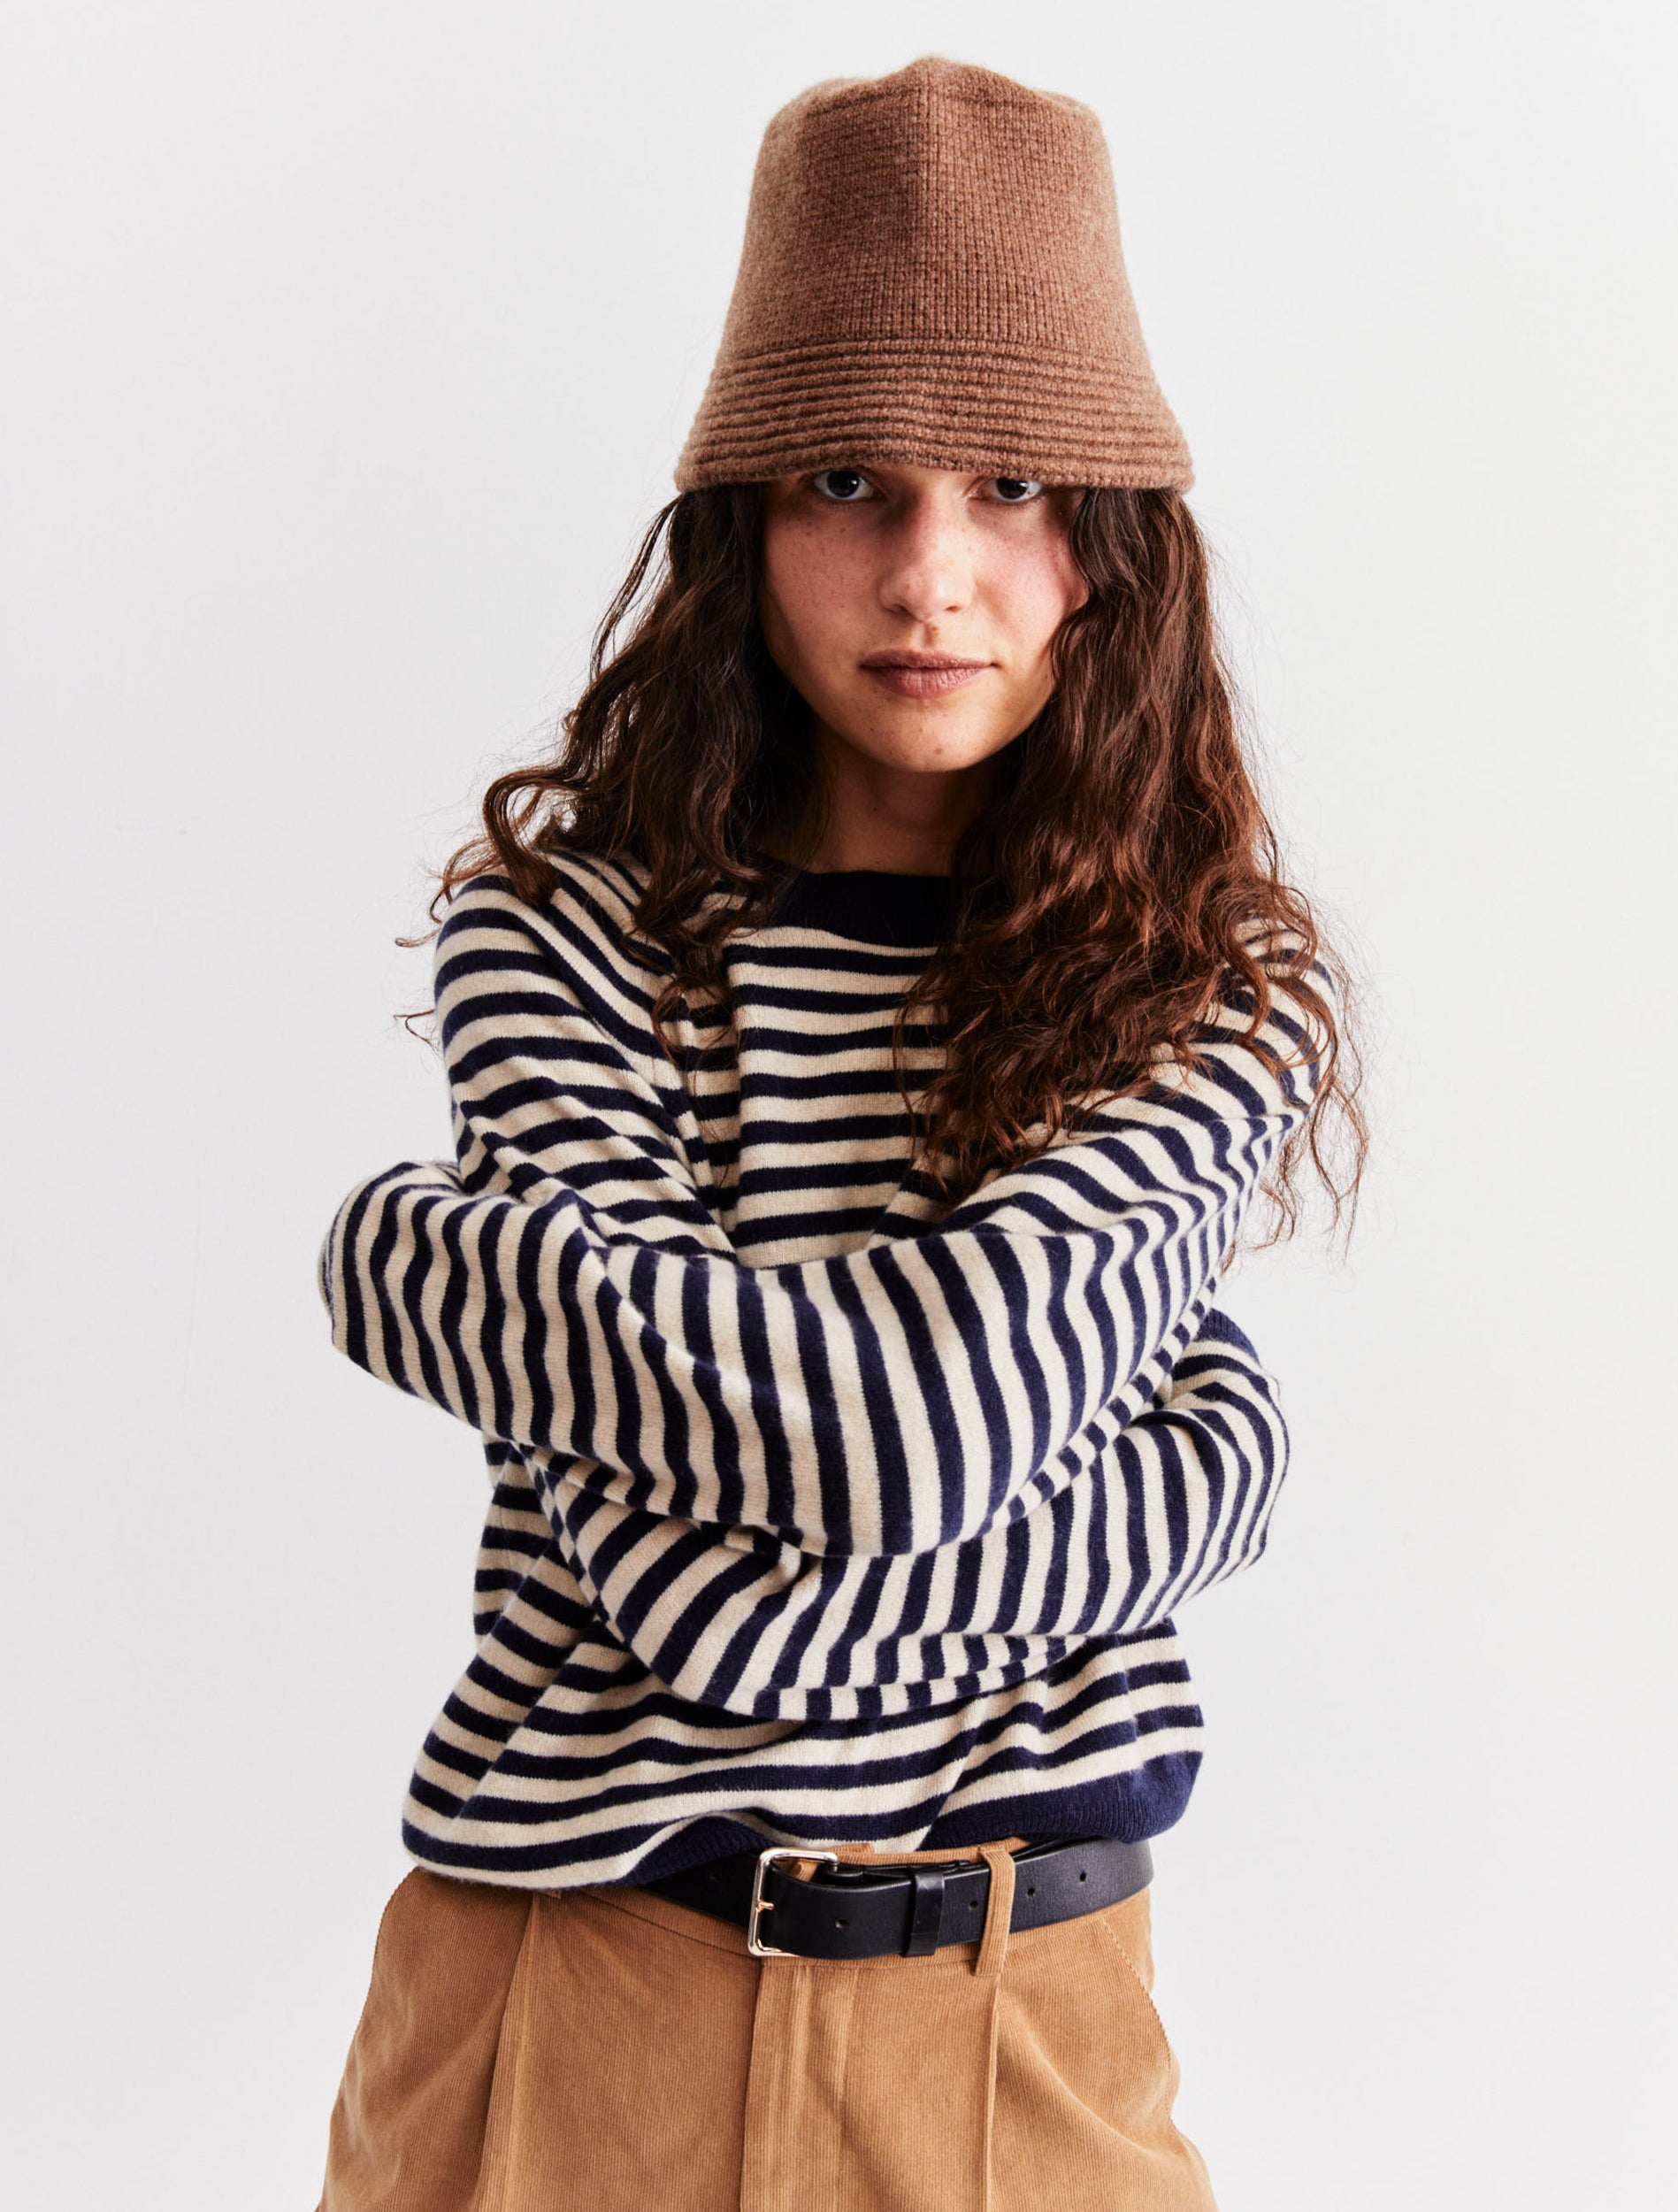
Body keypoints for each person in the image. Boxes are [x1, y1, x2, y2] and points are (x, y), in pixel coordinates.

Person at [312, 53, 1363, 2212]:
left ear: (1115, 540)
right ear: (740, 519)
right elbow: (703, 1596)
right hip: (566, 2008)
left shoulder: (1200, 981)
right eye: (848, 481)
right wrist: (1190, 1472)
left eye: (1011, 483)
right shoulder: (567, 932)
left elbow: (898, 1456)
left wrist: (440, 1269)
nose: (929, 574)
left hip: (1019, 2034)